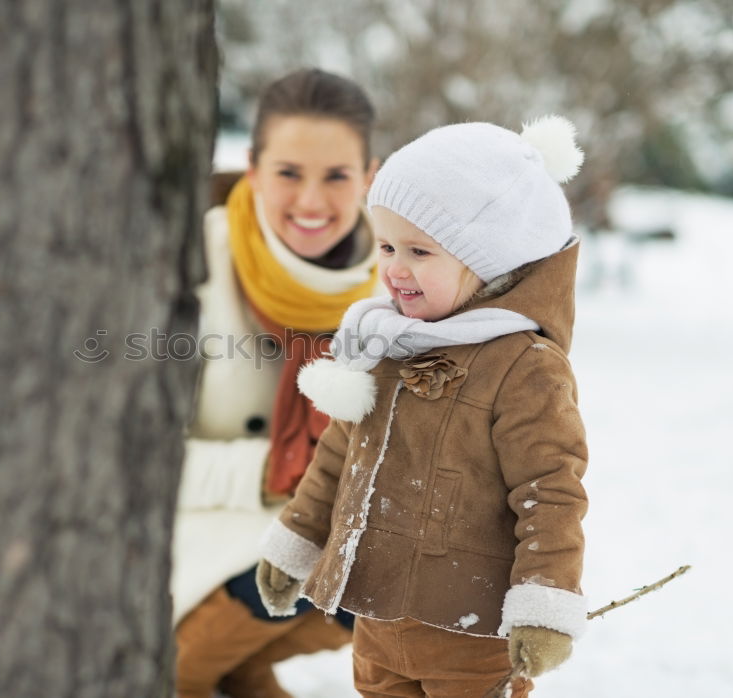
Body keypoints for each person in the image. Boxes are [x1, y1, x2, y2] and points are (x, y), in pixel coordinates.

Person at [256, 115, 590, 697]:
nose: (395, 269)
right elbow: (339, 457)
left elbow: (549, 490)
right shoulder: (388, 340)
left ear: (491, 260)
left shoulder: (522, 365)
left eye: (419, 250)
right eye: (386, 245)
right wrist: (295, 544)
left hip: (471, 630)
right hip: (378, 618)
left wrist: (544, 604)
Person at [172, 69, 381, 698]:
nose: (312, 203)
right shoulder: (193, 264)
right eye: (289, 173)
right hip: (200, 536)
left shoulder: (395, 285)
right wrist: (273, 472)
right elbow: (129, 462)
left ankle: (231, 673)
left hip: (326, 540)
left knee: (391, 584)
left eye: (337, 176)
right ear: (254, 170)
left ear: (369, 176)